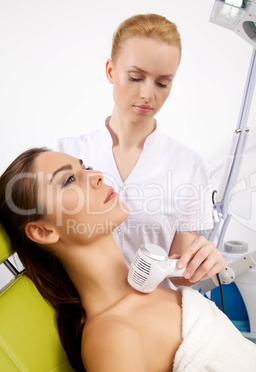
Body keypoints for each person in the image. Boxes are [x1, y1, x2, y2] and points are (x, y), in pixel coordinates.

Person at [1, 148, 256, 372]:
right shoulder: (113, 337)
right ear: (43, 232)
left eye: (87, 168)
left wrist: (197, 264)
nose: (96, 176)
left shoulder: (152, 287)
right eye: (69, 179)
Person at [54, 13, 225, 286]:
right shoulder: (65, 157)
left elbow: (181, 272)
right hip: (80, 309)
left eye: (162, 83)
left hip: (153, 312)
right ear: (110, 71)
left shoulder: (188, 166)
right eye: (135, 77)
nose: (148, 94)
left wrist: (201, 261)